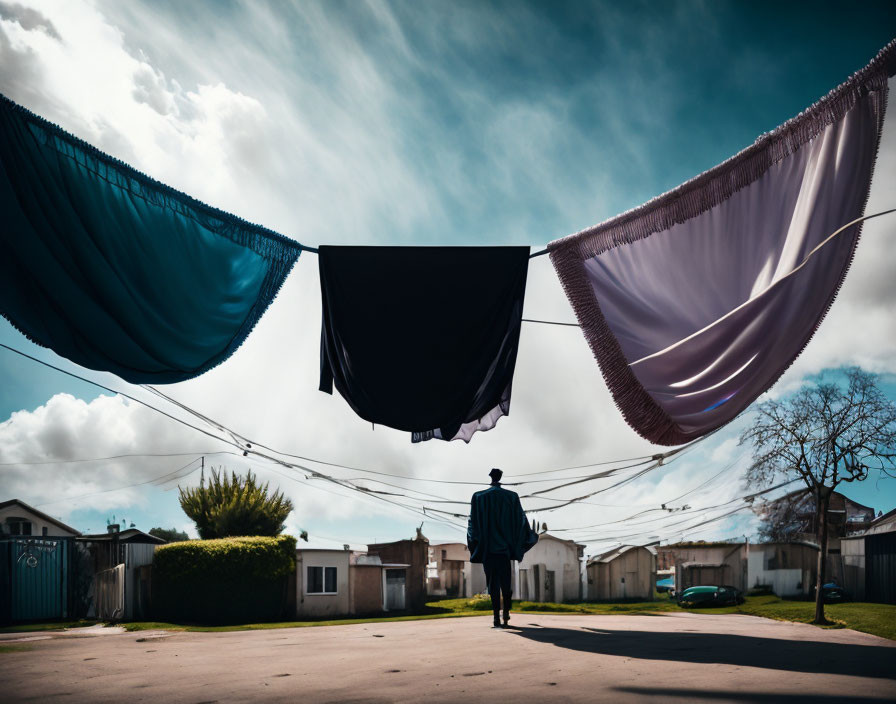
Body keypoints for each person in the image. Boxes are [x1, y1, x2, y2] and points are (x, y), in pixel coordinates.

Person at [467, 467, 538, 628]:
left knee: (492, 584)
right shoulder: (512, 497)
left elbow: (472, 524)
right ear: (500, 477)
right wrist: (528, 536)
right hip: (504, 551)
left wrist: (474, 544)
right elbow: (521, 521)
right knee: (506, 583)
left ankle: (495, 618)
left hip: (487, 550)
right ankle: (505, 613)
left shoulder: (478, 497)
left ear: (490, 477)